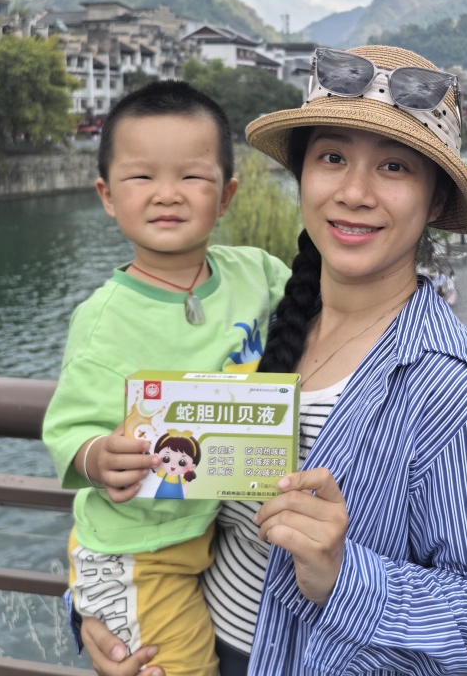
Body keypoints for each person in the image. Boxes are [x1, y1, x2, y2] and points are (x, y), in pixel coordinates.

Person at [79, 45, 467, 676]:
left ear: (433, 202)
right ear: (303, 176)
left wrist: (344, 576)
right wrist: (107, 616)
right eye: (332, 158)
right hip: (187, 646)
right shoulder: (255, 324)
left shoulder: (450, 392)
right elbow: (154, 493)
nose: (354, 192)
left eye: (395, 167)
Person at [42, 81, 291, 676]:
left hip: (200, 534)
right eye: (141, 177)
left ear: (226, 195)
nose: (167, 194)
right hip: (136, 554)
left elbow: (325, 312)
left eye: (192, 177)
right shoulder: (103, 320)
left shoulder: (256, 274)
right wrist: (98, 456)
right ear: (107, 195)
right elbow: (67, 427)